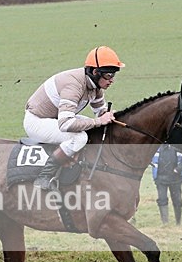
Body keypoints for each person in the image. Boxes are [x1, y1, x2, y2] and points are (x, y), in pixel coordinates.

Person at [24, 46, 124, 189]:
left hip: (55, 118)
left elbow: (101, 114)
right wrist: (98, 121)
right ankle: (44, 176)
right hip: (37, 121)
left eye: (113, 75)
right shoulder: (73, 85)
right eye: (109, 75)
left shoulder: (96, 87)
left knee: (93, 129)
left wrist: (110, 117)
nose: (112, 80)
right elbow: (65, 124)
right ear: (95, 72)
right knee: (79, 137)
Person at [151, 144, 182, 225]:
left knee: (177, 200)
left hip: (176, 178)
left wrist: (179, 169)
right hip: (160, 178)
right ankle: (165, 223)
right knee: (162, 200)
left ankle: (178, 222)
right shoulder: (156, 146)